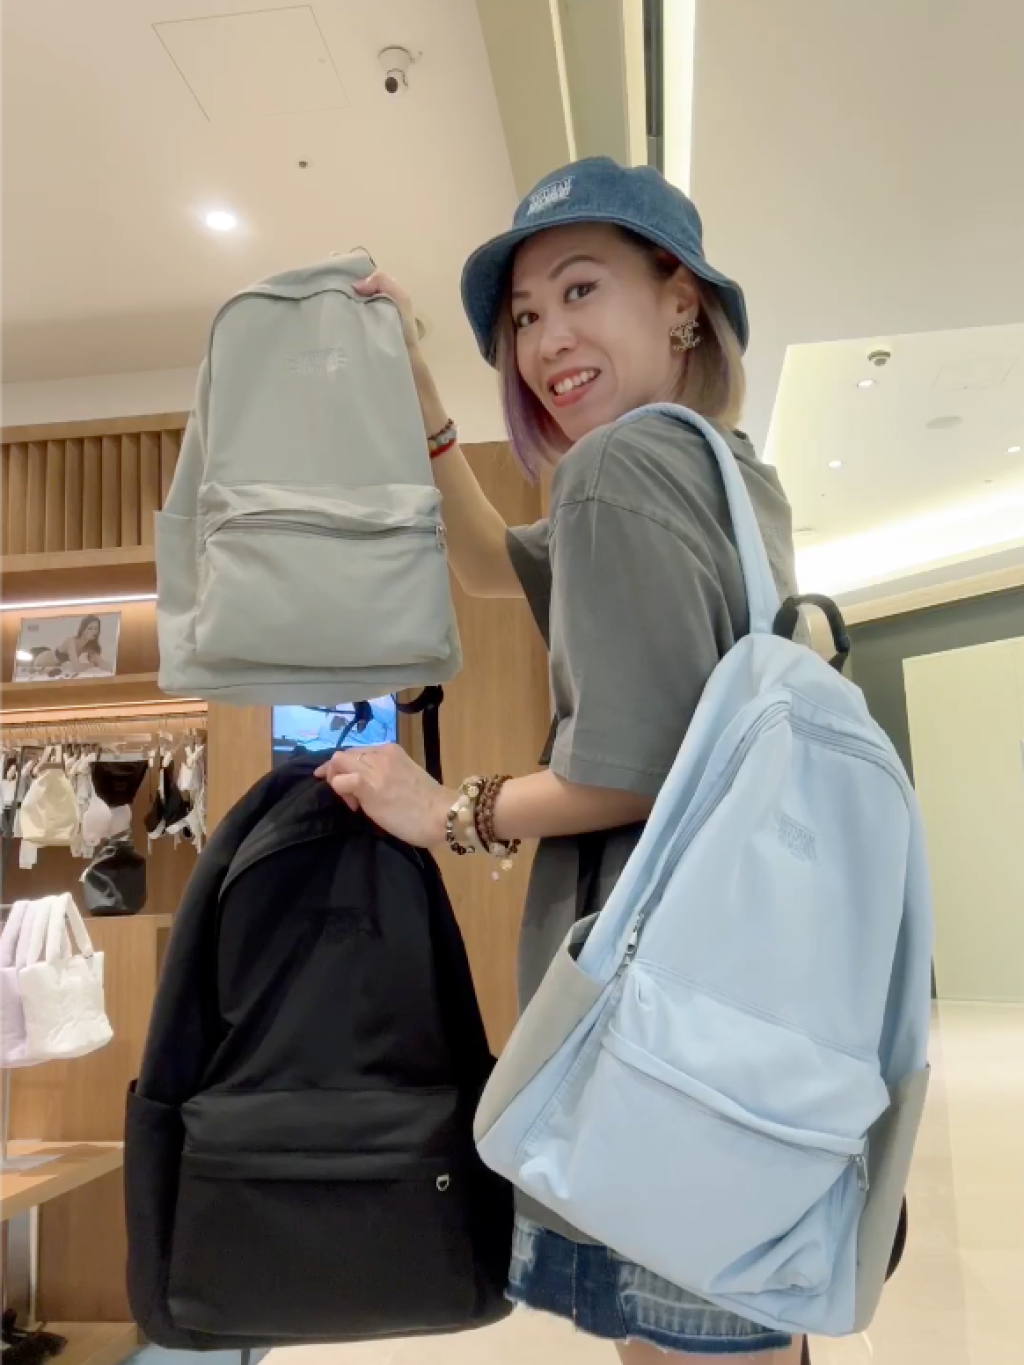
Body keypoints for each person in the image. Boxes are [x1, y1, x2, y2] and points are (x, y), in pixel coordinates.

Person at [317, 157, 805, 1363]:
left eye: (580, 290)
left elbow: (632, 769)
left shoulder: (615, 470)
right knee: (742, 1320)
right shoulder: (730, 473)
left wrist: (447, 810)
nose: (546, 341)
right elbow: (493, 565)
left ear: (680, 299)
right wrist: (429, 402)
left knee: (674, 1333)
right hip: (752, 992)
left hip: (654, 1007)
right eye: (526, 317)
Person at [28, 615, 113, 676]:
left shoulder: (89, 647)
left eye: (96, 628)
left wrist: (116, 669)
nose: (94, 632)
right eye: (90, 628)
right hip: (41, 661)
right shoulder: (71, 641)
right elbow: (77, 668)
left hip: (52, 666)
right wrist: (92, 665)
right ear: (83, 629)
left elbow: (102, 663)